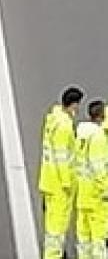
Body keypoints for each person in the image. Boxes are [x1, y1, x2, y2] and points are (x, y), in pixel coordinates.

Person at [40, 86, 84, 259]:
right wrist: (67, 183)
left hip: (49, 179)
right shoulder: (64, 126)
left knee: (52, 225)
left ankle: (53, 253)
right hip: (59, 185)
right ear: (72, 104)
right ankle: (53, 255)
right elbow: (62, 158)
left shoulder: (53, 118)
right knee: (57, 226)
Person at [76, 100, 108, 259]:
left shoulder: (81, 133)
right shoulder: (99, 137)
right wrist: (106, 190)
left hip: (82, 192)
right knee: (99, 237)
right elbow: (99, 168)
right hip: (96, 195)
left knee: (84, 236)